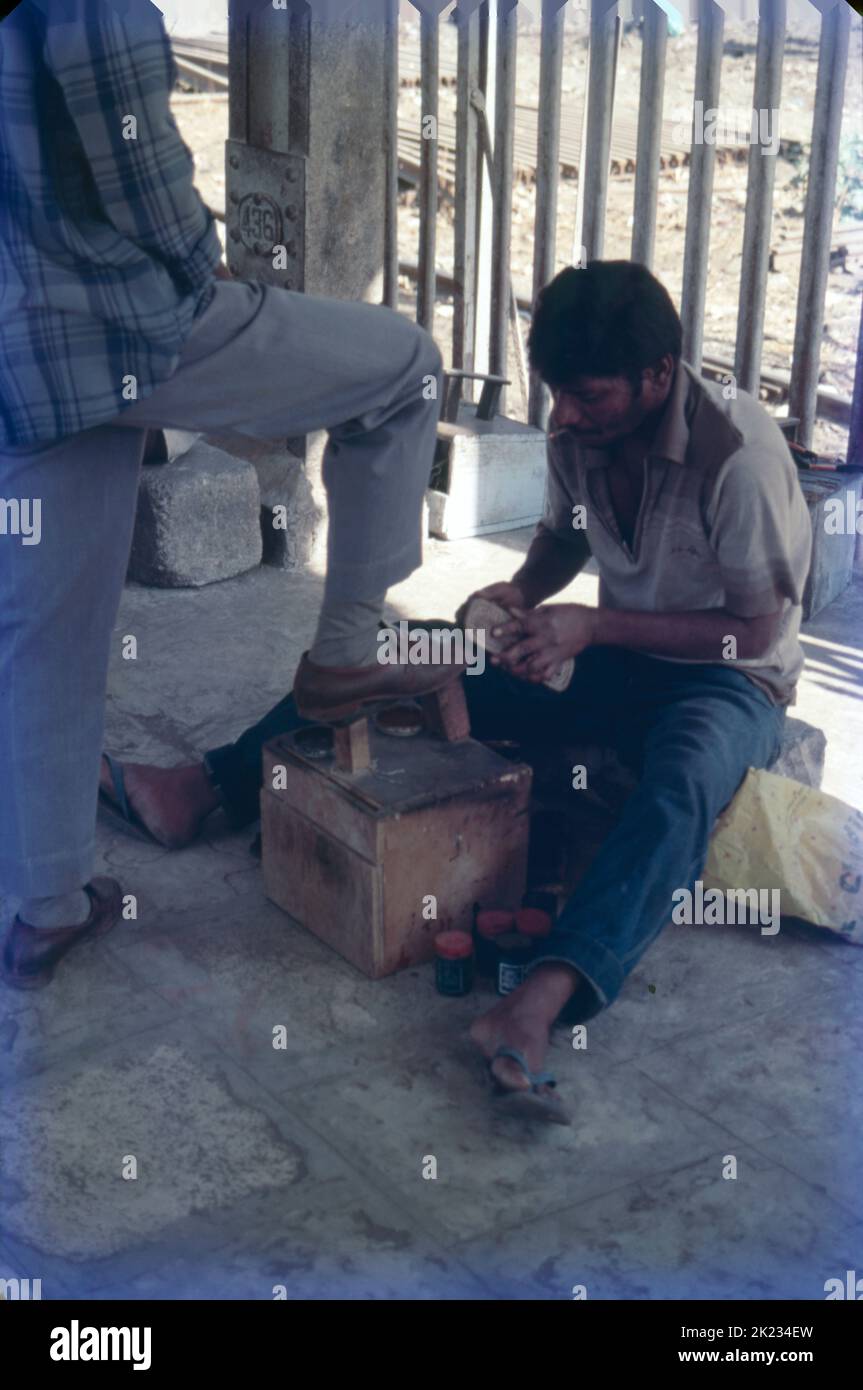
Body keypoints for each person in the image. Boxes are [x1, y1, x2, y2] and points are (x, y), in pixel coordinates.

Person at [91, 261, 813, 1121]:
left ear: (659, 375)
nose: (568, 415)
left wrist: (592, 627)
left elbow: (756, 631)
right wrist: (522, 597)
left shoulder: (738, 457)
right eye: (559, 395)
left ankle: (536, 1003)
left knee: (685, 779)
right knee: (403, 647)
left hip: (725, 679)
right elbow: (564, 538)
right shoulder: (579, 429)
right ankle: (203, 786)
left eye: (589, 396)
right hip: (615, 656)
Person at [0, 0, 455, 990]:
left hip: (18, 349)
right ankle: (343, 657)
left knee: (47, 633)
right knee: (404, 369)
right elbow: (130, 148)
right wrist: (187, 249)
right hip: (108, 326)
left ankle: (48, 908)